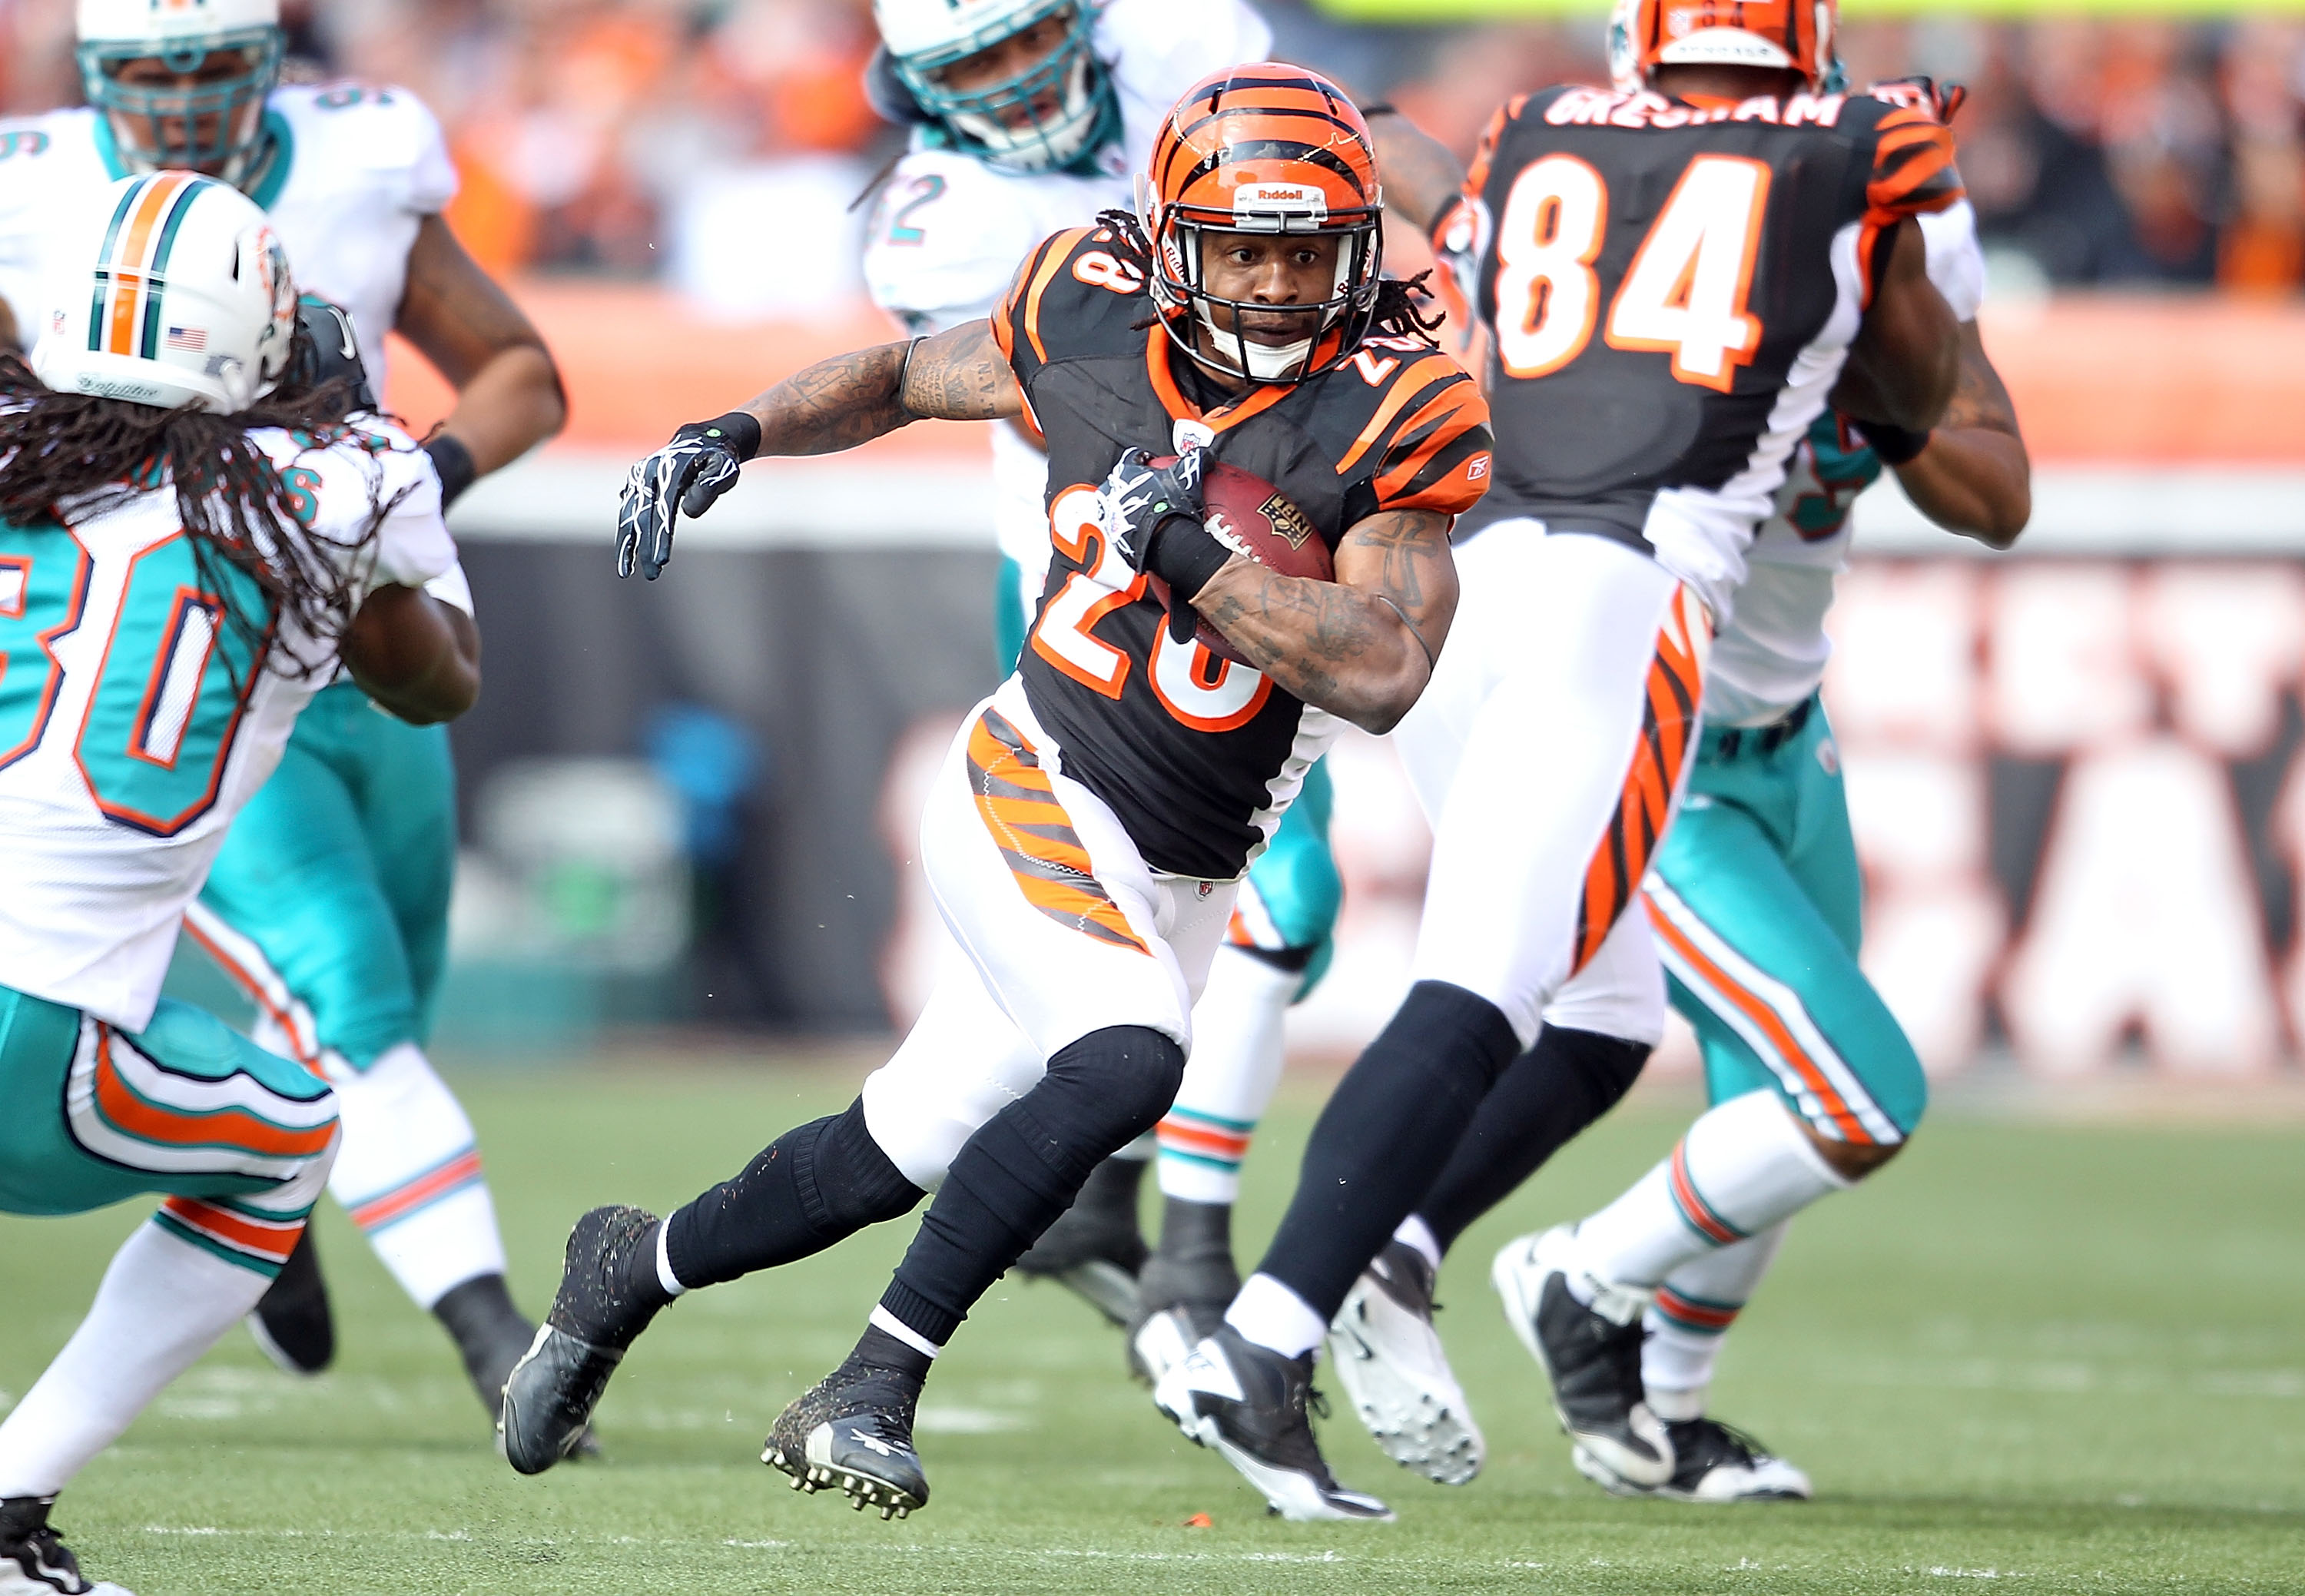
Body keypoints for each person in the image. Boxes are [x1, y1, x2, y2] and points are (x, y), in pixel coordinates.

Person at [499, 66, 1491, 1523]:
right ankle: (869, 1389)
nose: (1277, 285)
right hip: (1036, 767)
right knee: (1132, 1053)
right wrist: (741, 432)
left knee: (892, 1150)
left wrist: (1200, 563)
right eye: (1243, 247)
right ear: (1169, 244)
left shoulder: (1398, 407)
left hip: (1189, 855)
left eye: (1307, 249)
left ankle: (625, 1270)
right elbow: (905, 377)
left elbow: (1389, 667)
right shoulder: (1089, 313)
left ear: (1358, 251)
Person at [1154, 0, 1967, 1518]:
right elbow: (1919, 400)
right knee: (1484, 992)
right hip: (1627, 584)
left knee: (1605, 1006)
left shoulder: (1533, 132)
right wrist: (1883, 258)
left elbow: (1405, 171)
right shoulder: (1863, 144)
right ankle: (1262, 1342)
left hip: (1467, 573)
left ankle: (1390, 1254)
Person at [1331, 88, 2031, 1499]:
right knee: (1854, 1097)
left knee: (1765, 1115)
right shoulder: (1637, 299)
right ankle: (1572, 1278)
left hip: (1787, 736)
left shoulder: (1886, 288)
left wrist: (1874, 377)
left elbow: (1999, 489)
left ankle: (1652, 1409)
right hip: (1663, 748)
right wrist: (1334, 115)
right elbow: (1447, 196)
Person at [0, 0, 567, 1420]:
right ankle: (501, 1336)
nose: (183, 103)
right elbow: (442, 672)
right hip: (218, 646)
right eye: (150, 73)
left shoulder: (360, 168)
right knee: (348, 1006)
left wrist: (404, 483)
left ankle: (254, 1188)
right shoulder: (36, 187)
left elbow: (522, 374)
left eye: (210, 68)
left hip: (281, 626)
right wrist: (358, 503)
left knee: (380, 1002)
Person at [0, 172, 477, 1596]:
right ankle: (12, 1505)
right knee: (286, 1135)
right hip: (37, 1018)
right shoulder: (336, 491)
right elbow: (438, 683)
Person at [856, 0, 1351, 1347]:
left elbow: (1327, 198)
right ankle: (1189, 1260)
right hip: (1093, 560)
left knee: (1280, 916)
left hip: (1254, 524)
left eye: (1026, 45)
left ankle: (1115, 1205)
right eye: (976, 70)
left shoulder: (1185, 42)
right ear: (923, 92)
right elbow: (1059, 382)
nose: (1017, 87)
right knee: (1273, 892)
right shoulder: (938, 215)